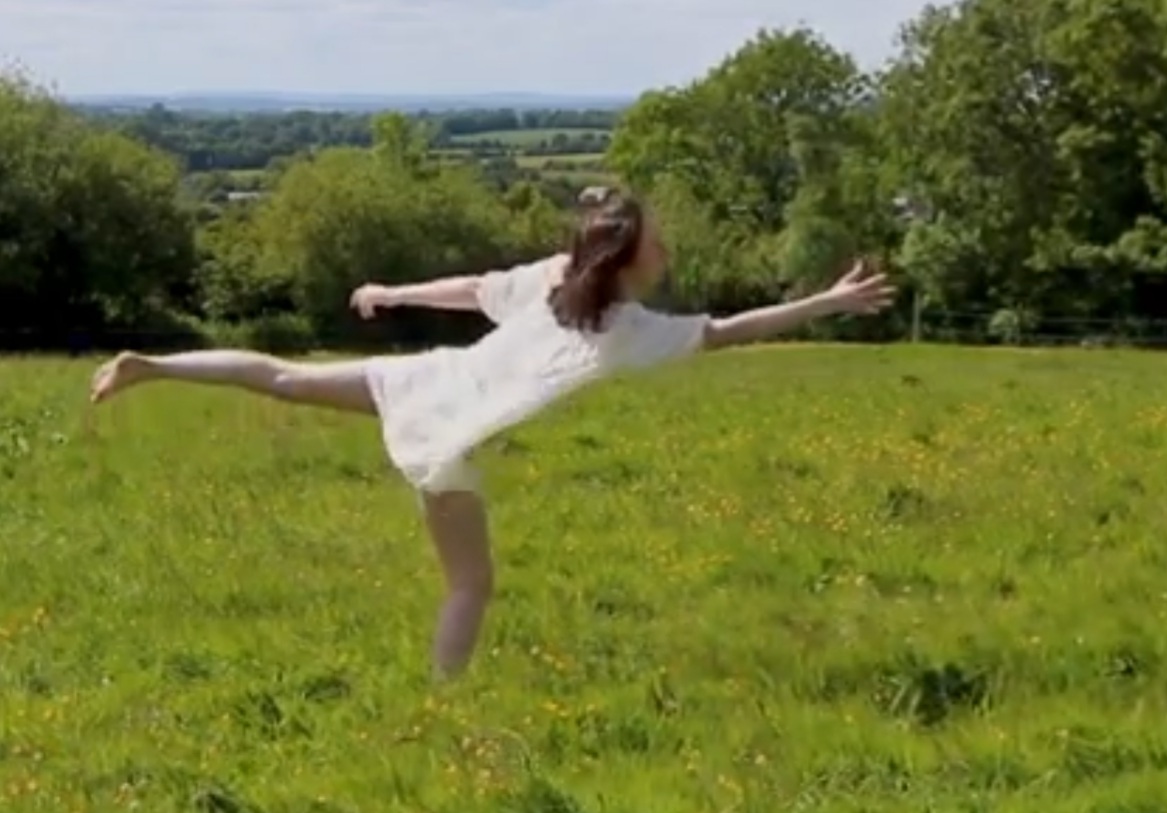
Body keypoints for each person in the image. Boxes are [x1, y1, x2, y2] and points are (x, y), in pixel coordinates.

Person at [89, 192, 896, 680]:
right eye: (658, 241)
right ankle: (443, 705)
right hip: (450, 434)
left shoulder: (554, 279)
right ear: (627, 258)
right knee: (471, 585)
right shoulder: (627, 328)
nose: (667, 250)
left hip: (425, 379)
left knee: (282, 376)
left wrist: (393, 290)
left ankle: (149, 366)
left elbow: (473, 289)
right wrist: (825, 303)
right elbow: (727, 331)